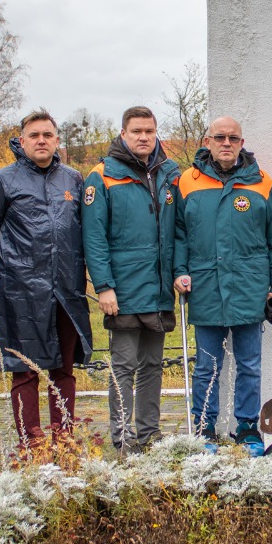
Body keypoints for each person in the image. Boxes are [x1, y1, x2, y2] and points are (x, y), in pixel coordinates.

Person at [0, 109, 93, 456]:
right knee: (25, 371)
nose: (41, 141)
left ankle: (64, 440)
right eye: (34, 135)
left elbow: (84, 230)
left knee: (63, 370)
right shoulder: (1, 181)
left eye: (47, 135)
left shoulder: (73, 180)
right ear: (21, 141)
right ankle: (32, 444)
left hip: (66, 291)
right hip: (22, 293)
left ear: (57, 140)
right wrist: (13, 272)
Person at [173, 116, 272, 454]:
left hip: (250, 288)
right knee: (207, 366)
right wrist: (179, 270)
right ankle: (204, 428)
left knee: (249, 365)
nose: (226, 143)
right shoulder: (187, 182)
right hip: (205, 286)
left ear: (241, 143)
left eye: (233, 138)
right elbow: (178, 235)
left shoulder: (262, 183)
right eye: (220, 137)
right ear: (207, 141)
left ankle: (248, 429)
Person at [83, 106, 181, 452]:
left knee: (153, 365)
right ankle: (123, 438)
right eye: (137, 131)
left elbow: (179, 228)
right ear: (123, 134)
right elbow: (94, 237)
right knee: (123, 366)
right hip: (123, 290)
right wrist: (104, 286)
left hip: (159, 288)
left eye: (149, 131)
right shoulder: (102, 175)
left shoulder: (170, 172)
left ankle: (149, 433)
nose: (144, 137)